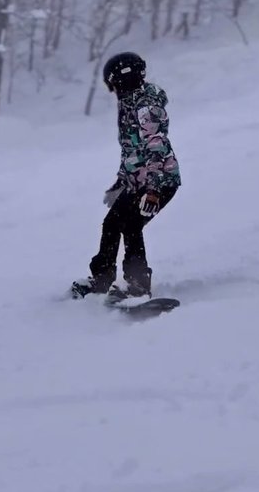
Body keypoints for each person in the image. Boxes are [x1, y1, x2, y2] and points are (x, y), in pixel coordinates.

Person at [71, 51, 181, 303]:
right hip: (138, 183)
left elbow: (156, 146)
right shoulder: (130, 102)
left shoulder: (146, 106)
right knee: (112, 224)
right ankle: (102, 279)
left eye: (114, 85)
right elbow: (132, 151)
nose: (113, 92)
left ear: (123, 80)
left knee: (131, 225)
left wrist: (153, 190)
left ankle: (138, 285)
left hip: (160, 182)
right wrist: (121, 183)